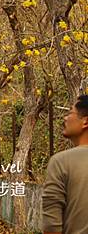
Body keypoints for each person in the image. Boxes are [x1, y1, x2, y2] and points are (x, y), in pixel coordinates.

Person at [42, 95, 88, 234]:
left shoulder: (61, 162)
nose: (65, 118)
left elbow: (51, 225)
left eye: (69, 112)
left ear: (85, 121)